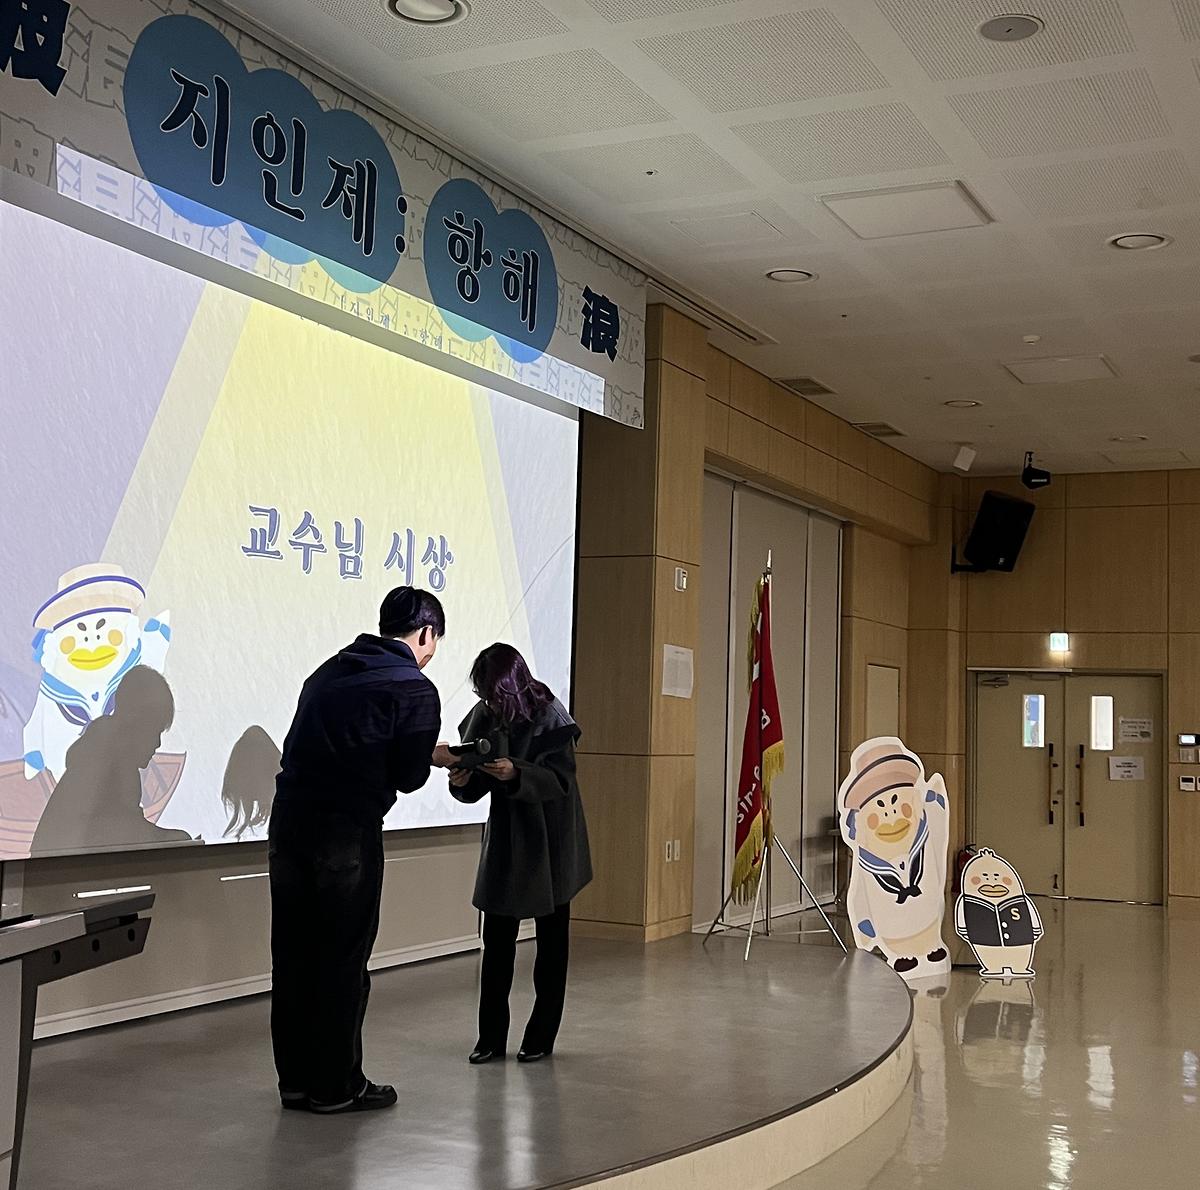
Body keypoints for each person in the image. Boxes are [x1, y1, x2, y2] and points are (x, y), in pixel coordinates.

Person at [268, 587, 450, 1114]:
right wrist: (430, 754)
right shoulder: (413, 686)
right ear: (426, 633)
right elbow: (409, 776)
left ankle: (295, 1083)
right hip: (346, 831)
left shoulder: (327, 672)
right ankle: (336, 1087)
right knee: (343, 959)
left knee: (294, 957)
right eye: (435, 641)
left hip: (288, 824)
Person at [441, 643, 592, 1065]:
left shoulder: (550, 716)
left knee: (552, 947)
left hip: (551, 841)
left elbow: (561, 783)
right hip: (508, 841)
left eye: (493, 694)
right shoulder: (485, 715)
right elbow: (474, 784)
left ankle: (541, 1036)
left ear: (511, 686)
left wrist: (516, 773)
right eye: (483, 694)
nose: (488, 702)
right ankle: (489, 1038)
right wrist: (461, 780)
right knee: (496, 945)